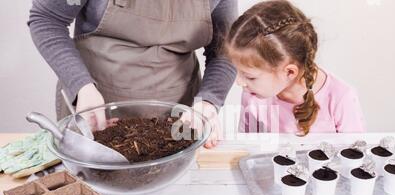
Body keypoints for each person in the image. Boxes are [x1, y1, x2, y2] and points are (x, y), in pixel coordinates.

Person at [28, 0, 238, 148]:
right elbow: (46, 18)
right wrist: (81, 86)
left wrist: (209, 101)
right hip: (97, 107)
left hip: (179, 116)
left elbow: (226, 49)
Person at [225, 0, 366, 135]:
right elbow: (247, 149)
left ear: (290, 72)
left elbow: (355, 154)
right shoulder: (253, 95)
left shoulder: (341, 98)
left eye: (250, 76)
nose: (239, 82)